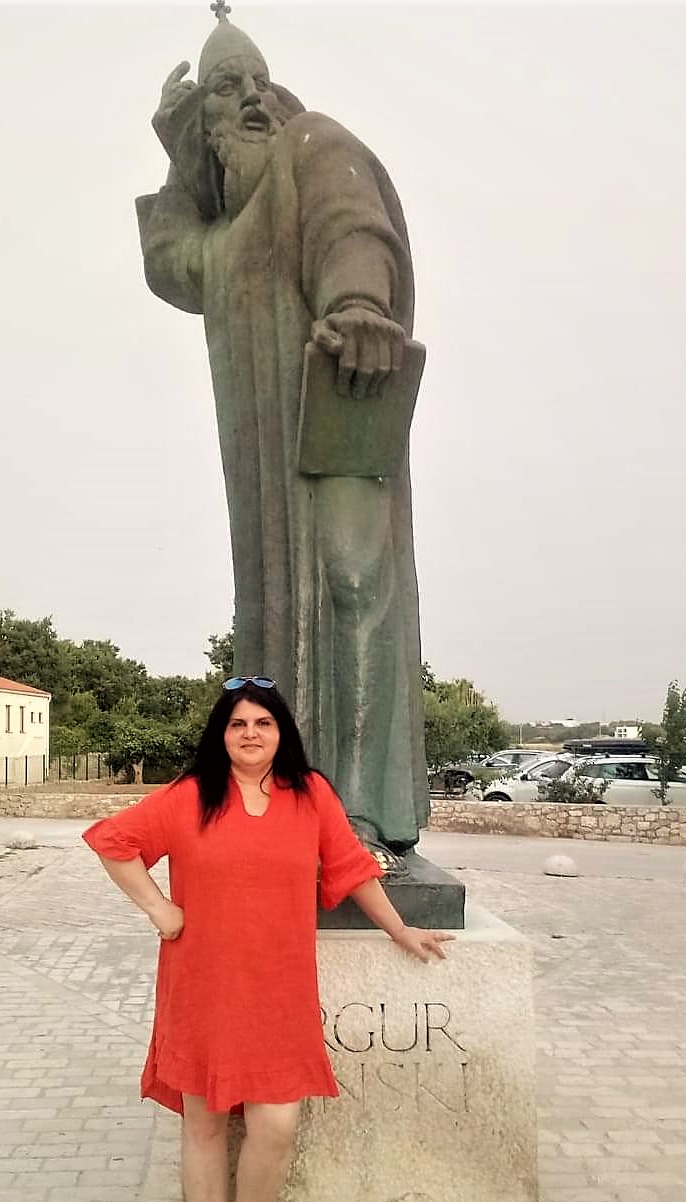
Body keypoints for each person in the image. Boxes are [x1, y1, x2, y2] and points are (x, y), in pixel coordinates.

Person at [136, 12, 429, 864]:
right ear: (208, 124)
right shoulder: (222, 240)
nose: (254, 99)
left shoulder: (311, 145)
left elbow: (353, 226)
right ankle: (289, 809)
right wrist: (180, 153)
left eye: (262, 83)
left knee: (353, 583)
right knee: (273, 620)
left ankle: (361, 814)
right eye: (230, 88)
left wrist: (360, 305)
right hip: (266, 475)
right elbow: (169, 261)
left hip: (343, 401)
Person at [83, 677, 454, 1202]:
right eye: (238, 724)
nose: (250, 733)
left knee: (275, 1126)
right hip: (202, 986)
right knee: (203, 1126)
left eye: (263, 723)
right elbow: (113, 841)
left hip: (278, 991)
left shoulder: (309, 795)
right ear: (221, 734)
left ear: (282, 732)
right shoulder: (191, 795)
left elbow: (351, 867)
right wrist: (160, 908)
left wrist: (400, 929)